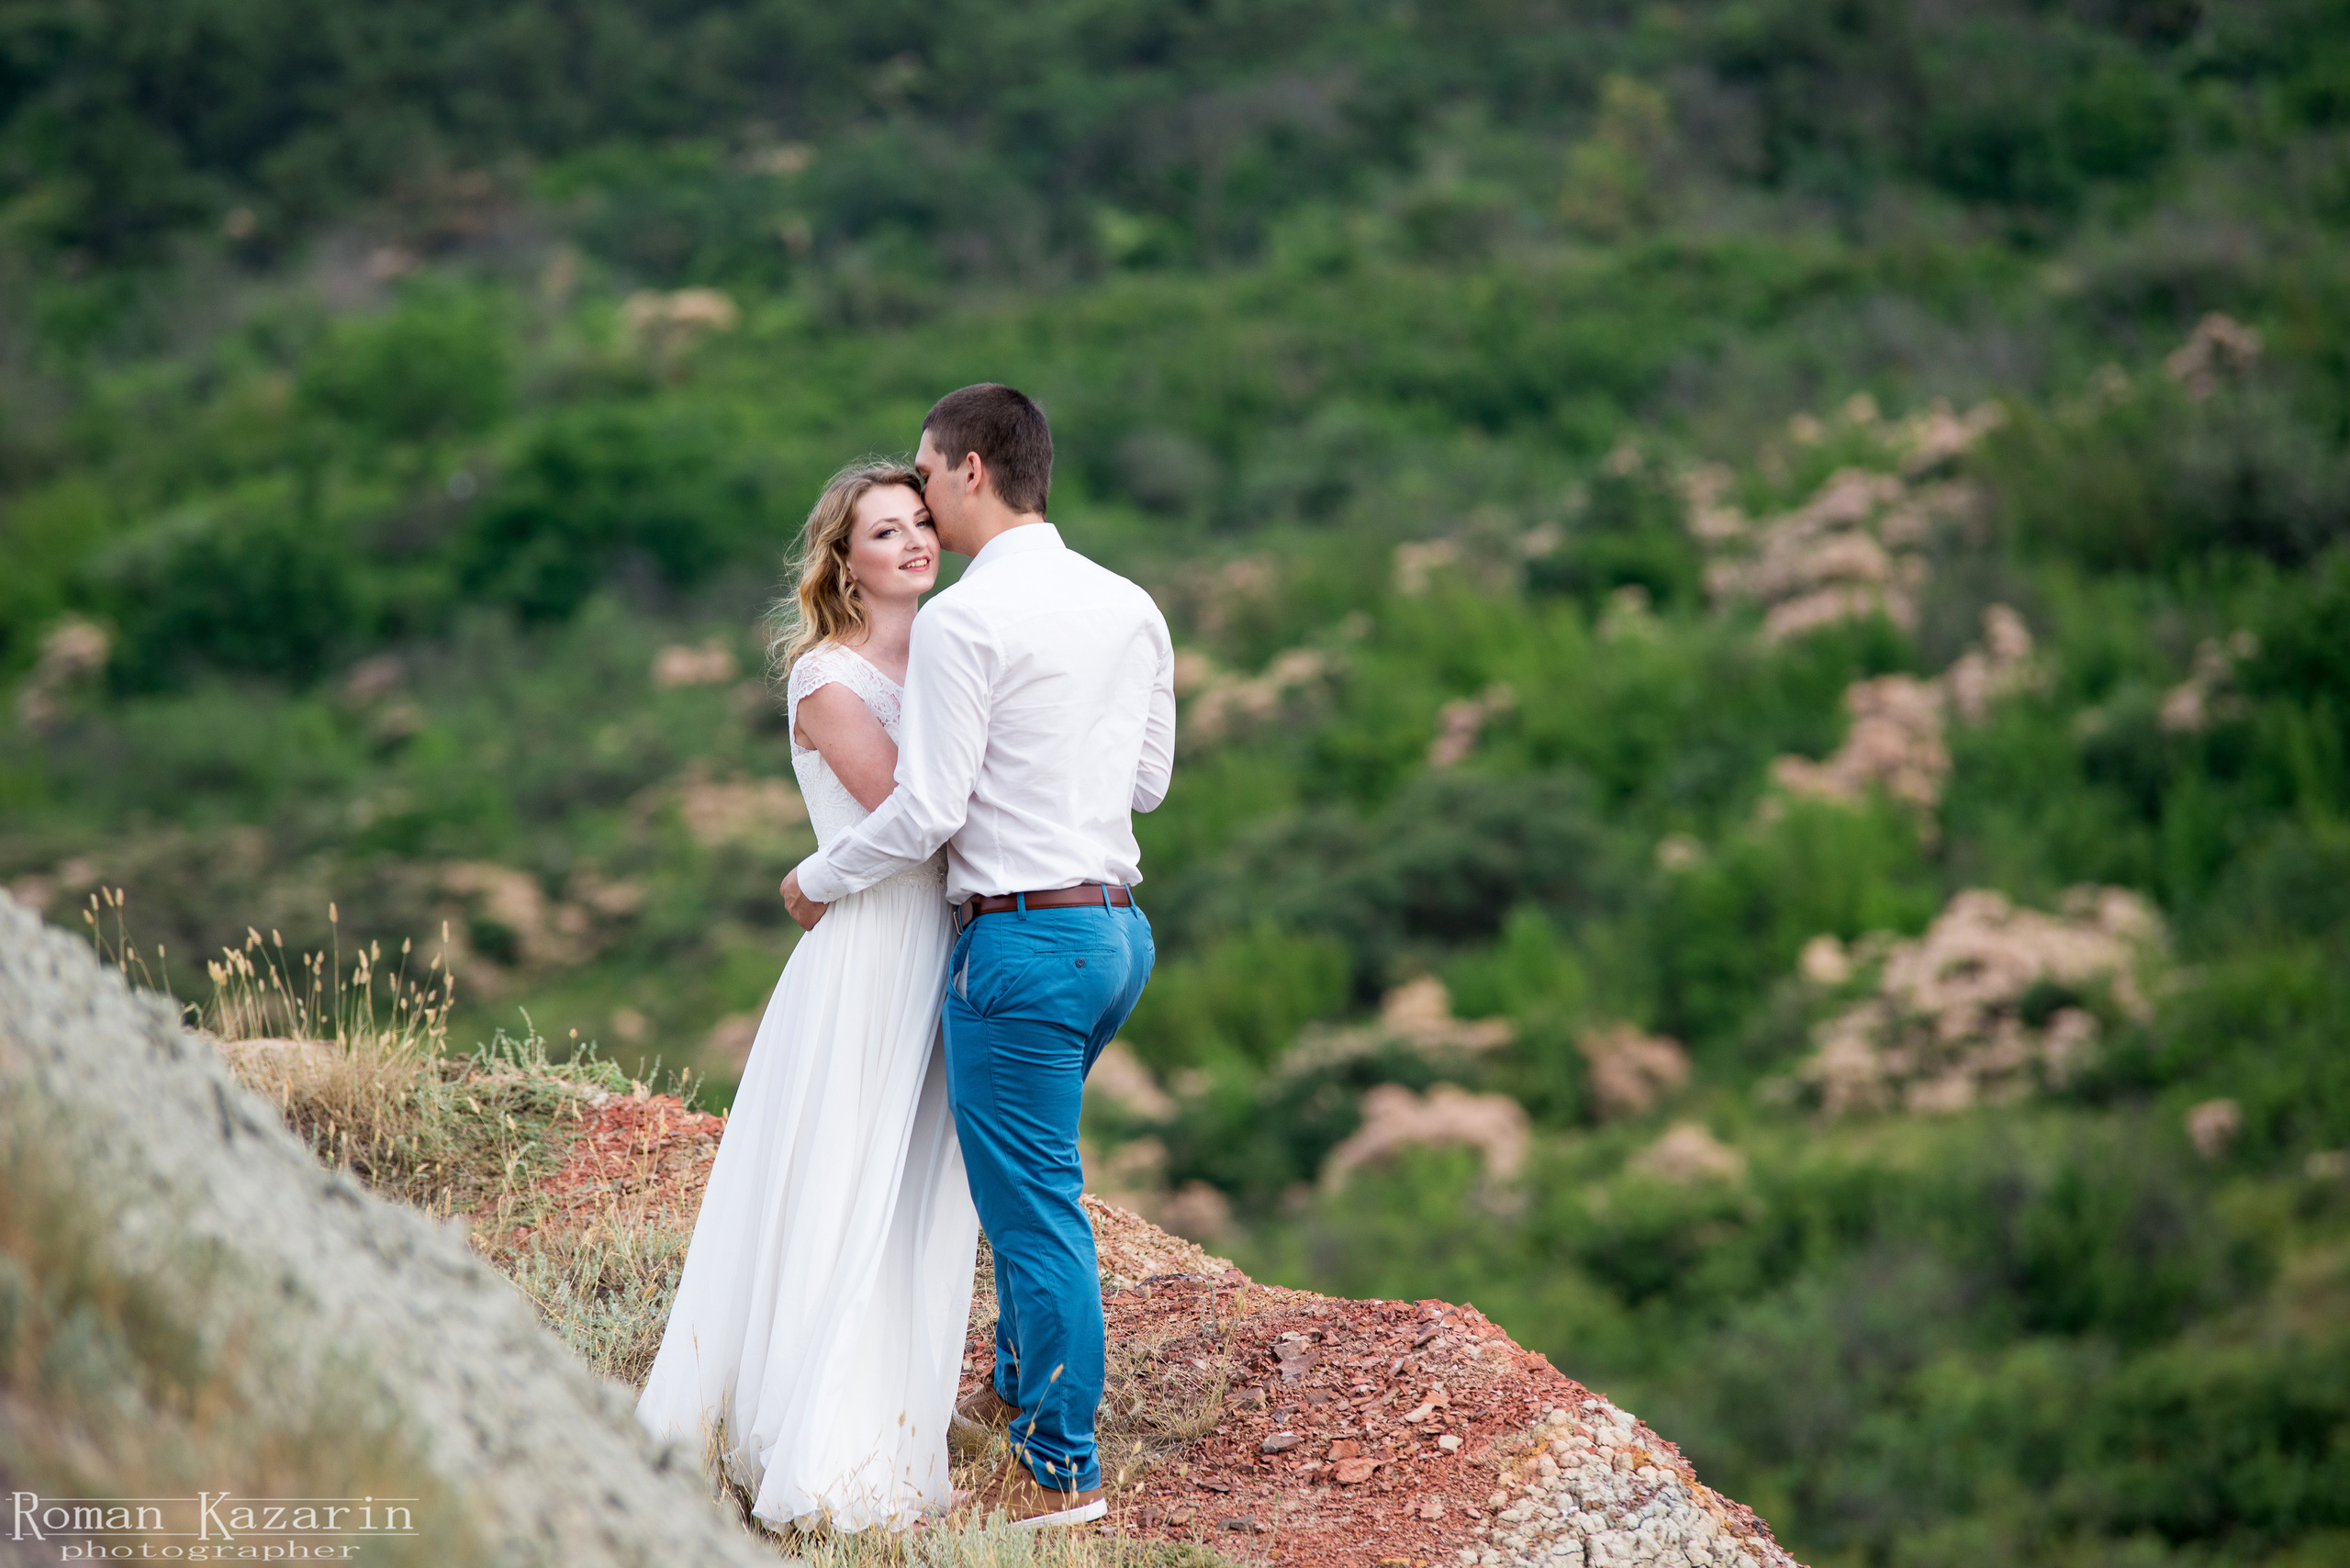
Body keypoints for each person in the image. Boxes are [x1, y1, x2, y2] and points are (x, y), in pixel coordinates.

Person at [782, 383, 1176, 1529]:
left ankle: (1061, 1472)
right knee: (1025, 1180)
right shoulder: (1129, 601)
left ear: (966, 469)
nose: (920, 500)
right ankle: (1011, 1394)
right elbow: (1145, 783)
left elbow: (923, 811)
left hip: (1022, 940)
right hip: (1116, 936)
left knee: (1033, 1210)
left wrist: (815, 878)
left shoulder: (964, 620)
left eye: (924, 472)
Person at [634, 460, 981, 1533]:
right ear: (845, 560)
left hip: (948, 945)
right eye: (887, 532)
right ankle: (817, 1434)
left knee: (921, 1183)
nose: (915, 542)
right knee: (849, 1179)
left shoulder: (955, 647)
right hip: (872, 954)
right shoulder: (827, 678)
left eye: (923, 522)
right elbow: (918, 814)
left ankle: (899, 1412)